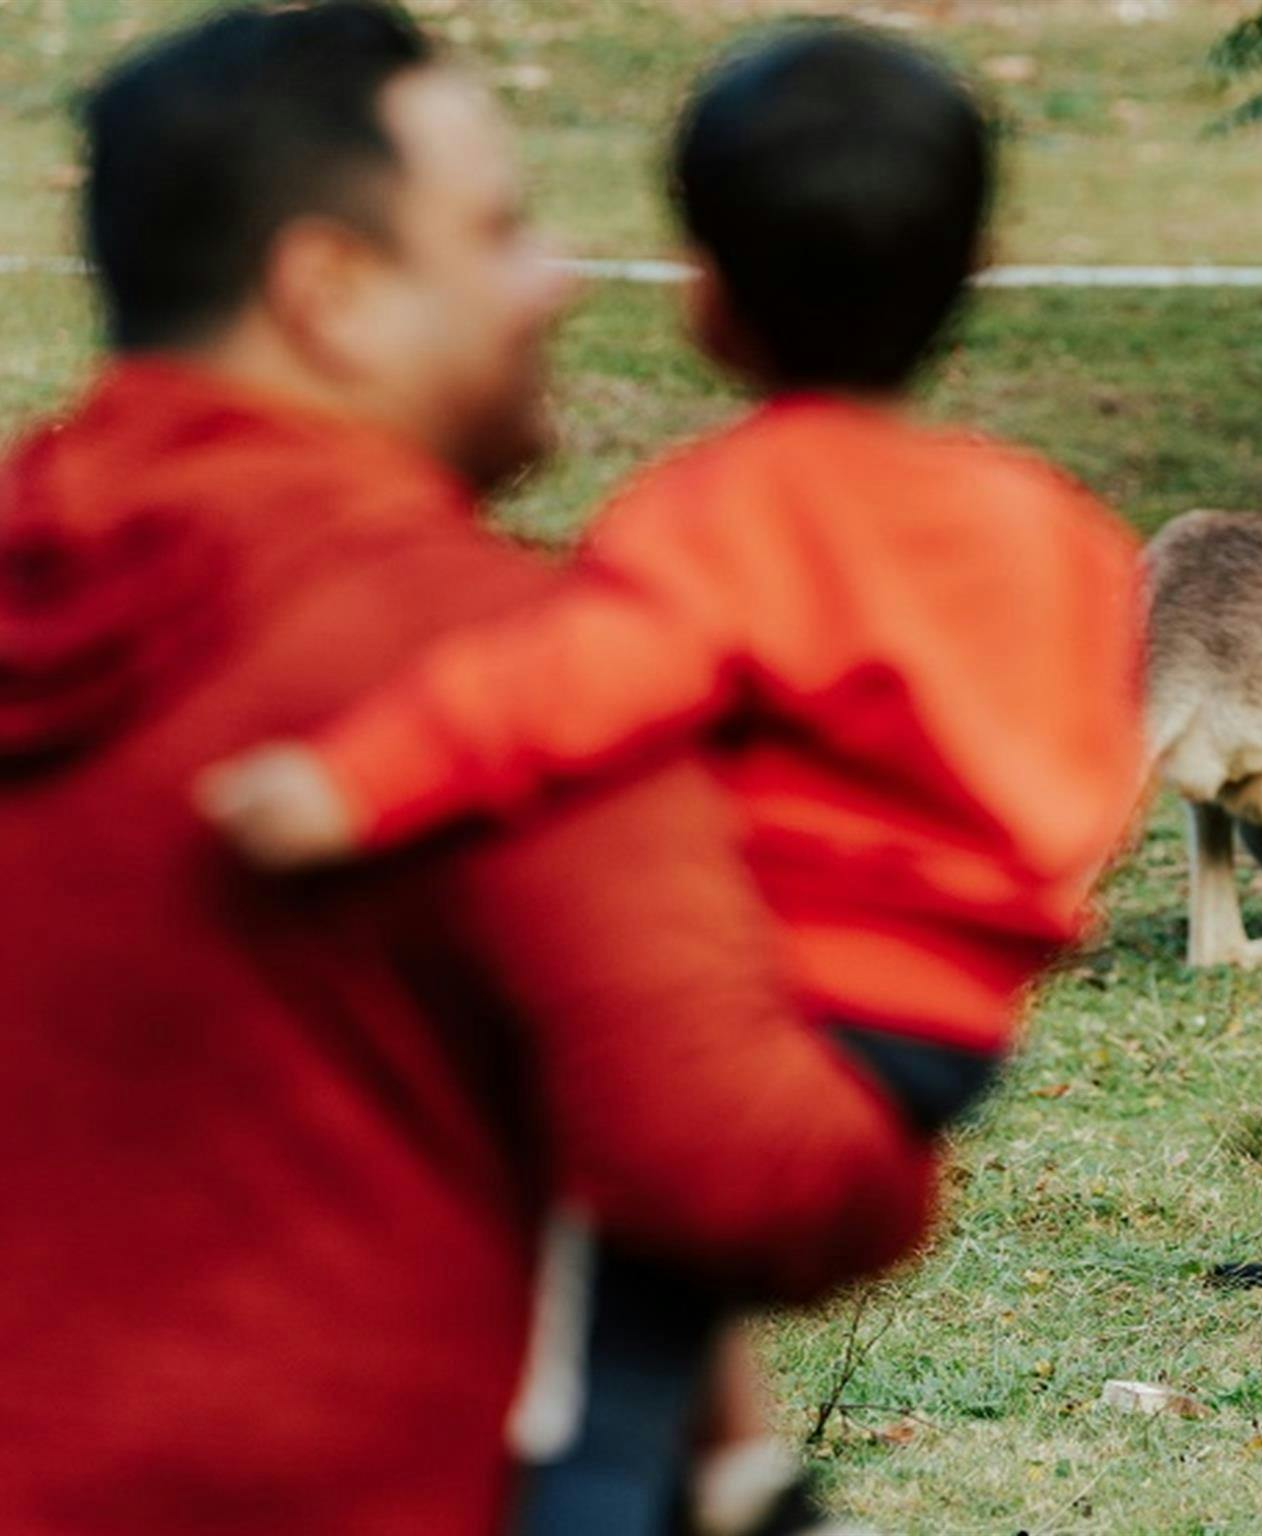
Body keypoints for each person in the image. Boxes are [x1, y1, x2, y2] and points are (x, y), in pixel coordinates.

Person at [198, 20, 1149, 1536]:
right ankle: (743, 1480)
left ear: (703, 298)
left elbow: (564, 690)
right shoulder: (1057, 530)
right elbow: (1097, 761)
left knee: (579, 1343)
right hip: (958, 1030)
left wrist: (345, 788)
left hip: (771, 1005)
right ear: (978, 275)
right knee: (663, 1282)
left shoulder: (716, 517)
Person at [0, 8, 936, 1536]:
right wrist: (922, 1010)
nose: (555, 280)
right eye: (497, 231)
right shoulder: (494, 668)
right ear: (331, 292)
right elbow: (750, 1181)